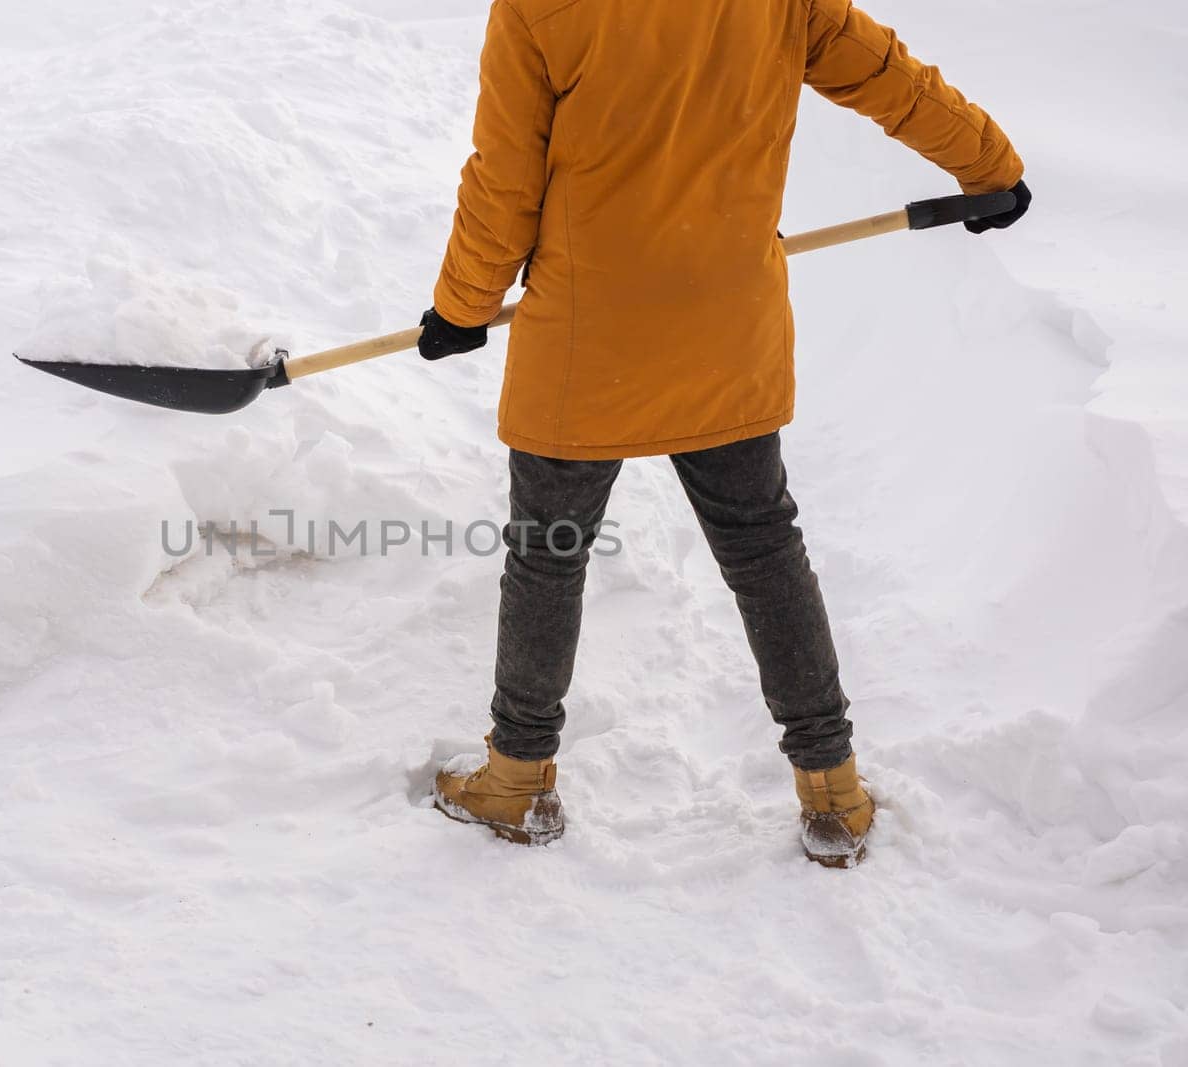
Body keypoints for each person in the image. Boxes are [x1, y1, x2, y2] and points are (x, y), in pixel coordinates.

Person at [422, 0, 1031, 867]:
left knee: (548, 550)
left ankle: (516, 778)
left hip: (586, 330)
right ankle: (835, 791)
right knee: (762, 547)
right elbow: (883, 72)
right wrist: (988, 165)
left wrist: (462, 305)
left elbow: (506, 178)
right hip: (724, 316)